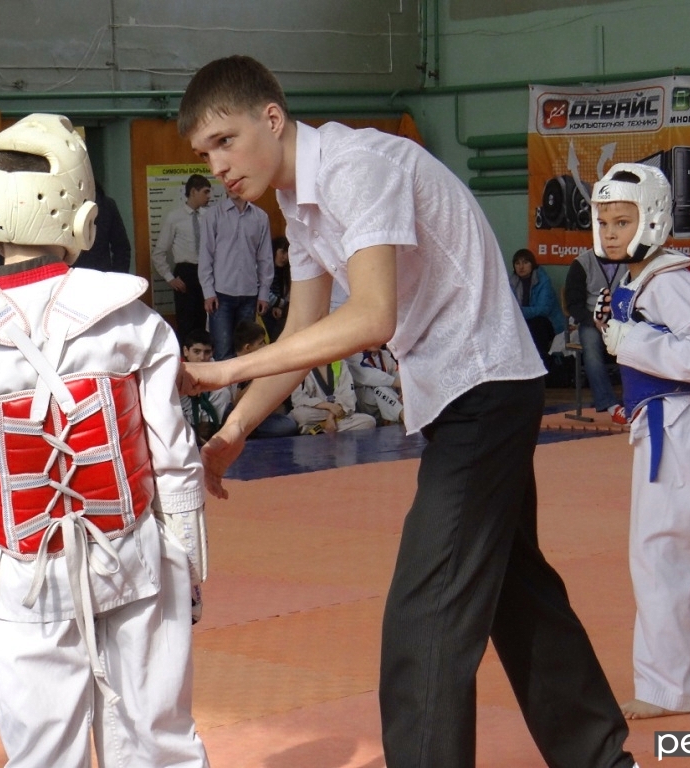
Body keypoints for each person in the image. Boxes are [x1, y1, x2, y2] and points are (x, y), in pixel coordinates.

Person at [178, 55, 636, 768]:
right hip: (469, 391)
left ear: (272, 118)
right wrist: (235, 427)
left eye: (225, 141)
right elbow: (303, 332)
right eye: (205, 153)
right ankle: (602, 759)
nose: (218, 166)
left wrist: (224, 369)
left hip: (482, 387)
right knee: (516, 593)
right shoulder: (300, 202)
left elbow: (371, 314)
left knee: (426, 613)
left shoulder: (356, 168)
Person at [0, 113, 210, 768]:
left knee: (43, 753)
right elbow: (174, 456)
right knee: (159, 741)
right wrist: (189, 563)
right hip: (136, 558)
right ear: (86, 220)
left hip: (25, 570)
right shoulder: (132, 319)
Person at [591, 163, 690, 719]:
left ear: (651, 219)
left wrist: (630, 339)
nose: (610, 234)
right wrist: (620, 325)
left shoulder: (669, 280)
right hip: (682, 421)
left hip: (678, 421)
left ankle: (664, 688)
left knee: (662, 553)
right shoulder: (651, 275)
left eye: (622, 222)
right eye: (604, 222)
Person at [198, 188, 274, 360]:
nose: (231, 187)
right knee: (222, 351)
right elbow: (205, 255)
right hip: (221, 294)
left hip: (249, 294)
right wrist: (208, 292)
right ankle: (224, 380)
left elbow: (265, 258)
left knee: (247, 351)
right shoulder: (213, 215)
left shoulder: (260, 217)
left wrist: (264, 293)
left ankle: (245, 380)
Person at [564, 248, 629, 421]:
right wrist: (595, 322)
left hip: (623, 319)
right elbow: (573, 304)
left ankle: (636, 401)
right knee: (591, 349)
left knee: (638, 343)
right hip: (590, 321)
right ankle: (611, 405)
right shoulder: (581, 263)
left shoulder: (628, 259)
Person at [151, 174, 213, 342]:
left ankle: (203, 354)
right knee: (186, 322)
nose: (209, 196)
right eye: (205, 192)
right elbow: (159, 252)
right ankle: (186, 354)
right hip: (186, 272)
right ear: (193, 192)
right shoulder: (175, 217)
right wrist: (170, 278)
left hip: (206, 272)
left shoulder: (208, 216)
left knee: (205, 320)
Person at [225, 320, 298, 439]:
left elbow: (279, 407)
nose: (266, 346)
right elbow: (236, 404)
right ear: (248, 347)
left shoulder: (264, 364)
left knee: (289, 424)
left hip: (261, 417)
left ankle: (246, 431)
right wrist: (260, 378)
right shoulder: (230, 367)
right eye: (261, 343)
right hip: (237, 416)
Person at [508, 247, 566, 369]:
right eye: (517, 263)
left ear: (532, 264)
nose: (521, 267)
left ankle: (541, 366)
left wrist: (519, 311)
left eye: (525, 262)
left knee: (537, 323)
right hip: (524, 323)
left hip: (548, 324)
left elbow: (543, 310)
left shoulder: (543, 281)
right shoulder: (512, 282)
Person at [290, 357, 377, 433]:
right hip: (316, 412)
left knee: (369, 421)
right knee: (301, 415)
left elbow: (347, 396)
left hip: (338, 414)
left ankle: (316, 430)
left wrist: (331, 416)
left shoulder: (340, 363)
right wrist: (328, 406)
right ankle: (327, 428)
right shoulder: (302, 366)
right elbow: (298, 398)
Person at [180, 328, 232, 445]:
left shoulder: (216, 369)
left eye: (207, 352)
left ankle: (211, 429)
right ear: (186, 351)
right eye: (196, 352)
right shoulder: (178, 371)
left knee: (224, 392)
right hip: (187, 420)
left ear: (212, 352)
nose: (202, 357)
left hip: (210, 420)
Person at [73, 183, 133, 273]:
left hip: (99, 272)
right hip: (70, 274)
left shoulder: (106, 205)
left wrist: (116, 278)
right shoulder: (106, 203)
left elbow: (121, 248)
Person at [346, 344, 403, 425]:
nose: (376, 342)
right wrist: (400, 383)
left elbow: (398, 375)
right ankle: (403, 415)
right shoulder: (354, 356)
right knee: (379, 388)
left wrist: (403, 391)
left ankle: (397, 417)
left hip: (388, 401)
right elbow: (368, 376)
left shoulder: (385, 355)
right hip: (365, 404)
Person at [262, 235, 291, 341]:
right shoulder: (264, 268)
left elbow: (286, 294)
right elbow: (264, 293)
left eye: (288, 254)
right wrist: (281, 304)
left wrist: (279, 307)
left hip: (276, 309)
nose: (285, 258)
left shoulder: (285, 273)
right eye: (282, 252)